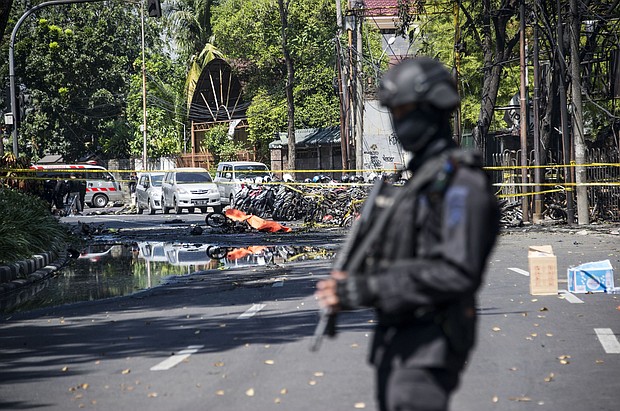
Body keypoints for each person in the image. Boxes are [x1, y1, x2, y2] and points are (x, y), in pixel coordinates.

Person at [315, 57, 500, 411]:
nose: (399, 123)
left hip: (429, 347)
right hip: (400, 341)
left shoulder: (461, 184)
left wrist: (367, 288)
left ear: (435, 108)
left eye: (405, 111)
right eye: (394, 113)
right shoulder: (423, 178)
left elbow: (455, 270)